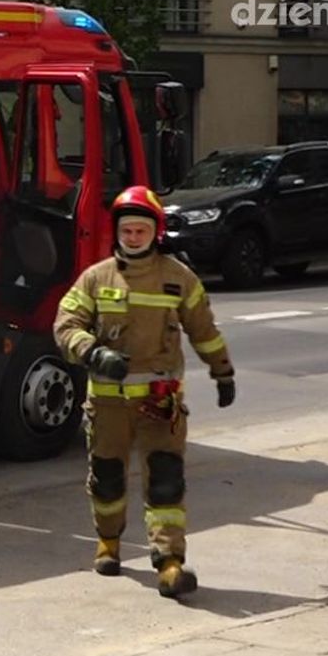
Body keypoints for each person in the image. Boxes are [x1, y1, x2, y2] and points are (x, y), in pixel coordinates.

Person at [53, 185, 236, 599]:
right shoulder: (96, 278)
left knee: (166, 482)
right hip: (108, 404)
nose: (133, 237)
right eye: (127, 230)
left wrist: (222, 372)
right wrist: (94, 353)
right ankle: (108, 542)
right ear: (117, 232)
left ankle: (170, 564)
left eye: (141, 230)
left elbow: (204, 330)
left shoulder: (178, 278)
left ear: (155, 233)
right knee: (107, 479)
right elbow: (65, 325)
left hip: (160, 403)